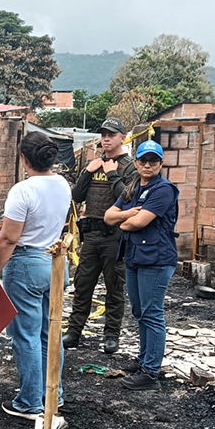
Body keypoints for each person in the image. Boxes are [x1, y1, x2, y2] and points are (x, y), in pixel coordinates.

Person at [0, 132, 72, 420]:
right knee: (52, 331)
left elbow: (8, 239)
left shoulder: (22, 191)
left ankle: (31, 402)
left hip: (27, 263)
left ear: (24, 159)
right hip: (56, 262)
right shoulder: (62, 185)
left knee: (27, 335)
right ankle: (53, 394)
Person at [104, 139, 179, 390]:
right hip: (135, 257)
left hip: (156, 260)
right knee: (139, 311)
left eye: (153, 161)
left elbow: (137, 224)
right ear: (136, 162)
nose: (148, 165)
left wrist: (125, 220)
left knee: (152, 313)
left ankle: (150, 372)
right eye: (143, 160)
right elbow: (108, 216)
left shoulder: (164, 190)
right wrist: (128, 214)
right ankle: (145, 359)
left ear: (161, 163)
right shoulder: (133, 187)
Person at [64, 118, 136, 355]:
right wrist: (87, 172)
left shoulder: (129, 167)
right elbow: (76, 195)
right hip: (92, 234)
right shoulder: (94, 164)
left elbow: (127, 198)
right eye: (104, 134)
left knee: (114, 287)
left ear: (122, 137)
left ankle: (111, 336)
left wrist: (112, 173)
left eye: (111, 135)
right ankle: (74, 331)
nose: (106, 139)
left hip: (115, 236)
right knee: (83, 285)